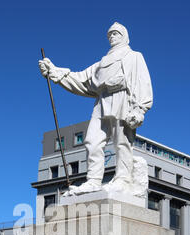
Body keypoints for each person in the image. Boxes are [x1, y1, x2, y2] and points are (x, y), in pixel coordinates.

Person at [39, 22, 153, 196]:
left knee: (121, 142)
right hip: (102, 102)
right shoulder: (101, 64)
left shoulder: (134, 56)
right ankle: (93, 180)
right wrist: (53, 71)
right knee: (92, 141)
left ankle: (123, 179)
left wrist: (140, 109)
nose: (112, 37)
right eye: (109, 35)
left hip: (123, 99)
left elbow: (142, 81)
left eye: (115, 34)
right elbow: (80, 79)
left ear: (124, 36)